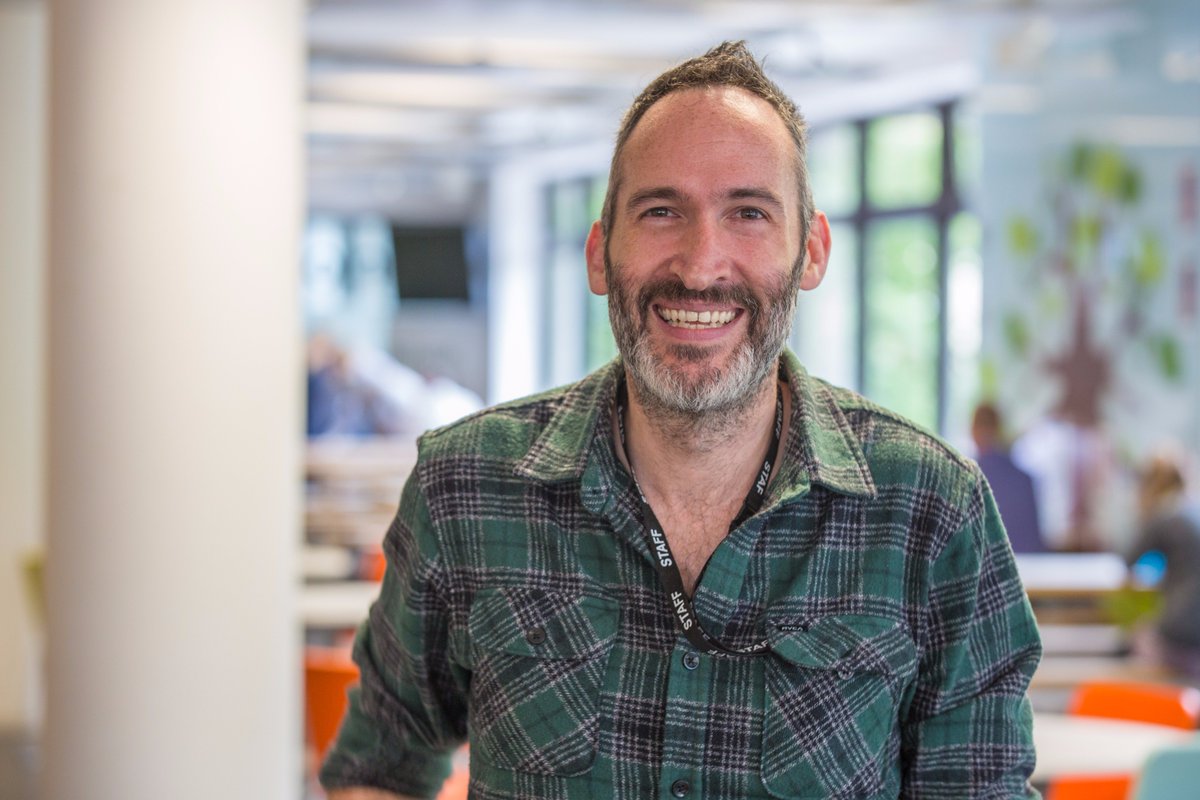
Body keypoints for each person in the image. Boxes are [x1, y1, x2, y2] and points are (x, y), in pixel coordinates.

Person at [320, 41, 1041, 799]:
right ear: (600, 254)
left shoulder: (930, 512)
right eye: (661, 212)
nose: (700, 266)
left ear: (811, 252)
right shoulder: (467, 486)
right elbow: (380, 766)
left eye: (748, 213)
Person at [1127, 450, 1200, 680]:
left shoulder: (1165, 514)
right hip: (1193, 626)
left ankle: (1158, 694)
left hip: (1183, 627)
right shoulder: (1193, 509)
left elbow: (1129, 559)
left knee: (1137, 636)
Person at [971, 401, 1046, 553]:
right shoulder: (1024, 481)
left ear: (973, 432)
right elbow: (1035, 543)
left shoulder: (965, 481)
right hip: (1025, 565)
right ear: (999, 430)